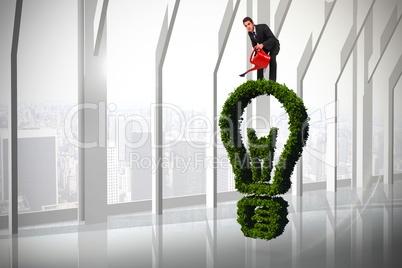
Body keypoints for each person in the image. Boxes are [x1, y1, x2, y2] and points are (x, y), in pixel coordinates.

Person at [243, 17, 280, 81]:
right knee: (259, 62)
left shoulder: (263, 27)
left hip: (273, 45)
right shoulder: (250, 33)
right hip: (264, 47)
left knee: (271, 59)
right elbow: (254, 44)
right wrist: (257, 51)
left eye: (249, 24)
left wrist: (262, 44)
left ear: (253, 23)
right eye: (246, 26)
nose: (248, 27)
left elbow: (272, 38)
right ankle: (259, 81)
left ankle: (272, 82)